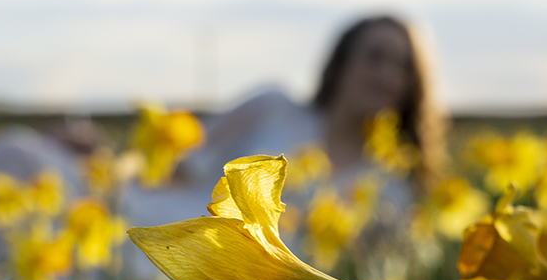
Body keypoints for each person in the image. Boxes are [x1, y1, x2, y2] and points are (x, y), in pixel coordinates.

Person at [178, 15, 445, 200]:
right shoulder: (273, 107)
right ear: (340, 63)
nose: (388, 75)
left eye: (403, 65)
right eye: (375, 57)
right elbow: (181, 166)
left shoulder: (395, 181)